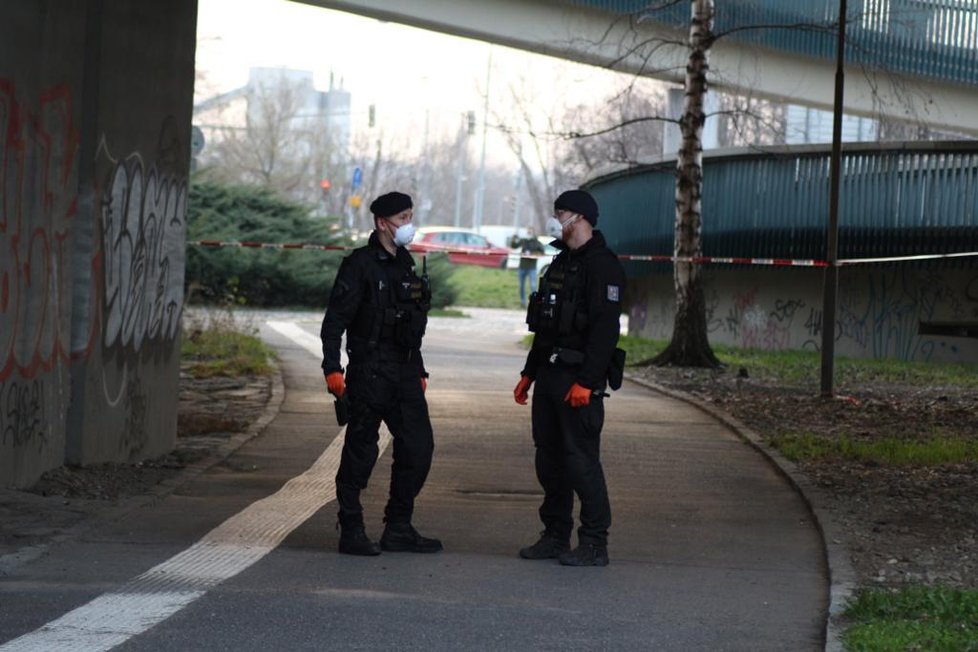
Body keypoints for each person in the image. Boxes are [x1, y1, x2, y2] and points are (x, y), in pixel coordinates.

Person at [320, 191, 442, 556]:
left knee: (419, 447)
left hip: (404, 370)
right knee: (361, 450)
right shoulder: (359, 265)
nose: (409, 224)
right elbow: (334, 322)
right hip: (369, 371)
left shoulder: (406, 263)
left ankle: (399, 526)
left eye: (410, 216)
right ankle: (351, 527)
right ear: (382, 223)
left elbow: (411, 324)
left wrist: (418, 369)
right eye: (403, 218)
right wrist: (331, 367)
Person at [512, 189, 626, 567]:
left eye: (559, 212)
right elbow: (545, 327)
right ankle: (555, 535)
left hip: (578, 378)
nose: (555, 219)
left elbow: (605, 332)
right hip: (549, 375)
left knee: (581, 462)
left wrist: (589, 381)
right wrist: (529, 373)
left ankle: (594, 543)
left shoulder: (603, 266)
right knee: (550, 461)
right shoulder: (559, 264)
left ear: (578, 218)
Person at [512, 227, 546, 308]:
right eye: (528, 232)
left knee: (533, 286)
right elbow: (514, 246)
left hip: (532, 267)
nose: (529, 233)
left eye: (530, 232)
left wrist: (533, 254)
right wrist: (514, 239)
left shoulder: (537, 242)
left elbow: (542, 252)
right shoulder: (523, 241)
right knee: (521, 286)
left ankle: (534, 303)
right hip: (522, 267)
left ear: (533, 233)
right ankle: (523, 302)